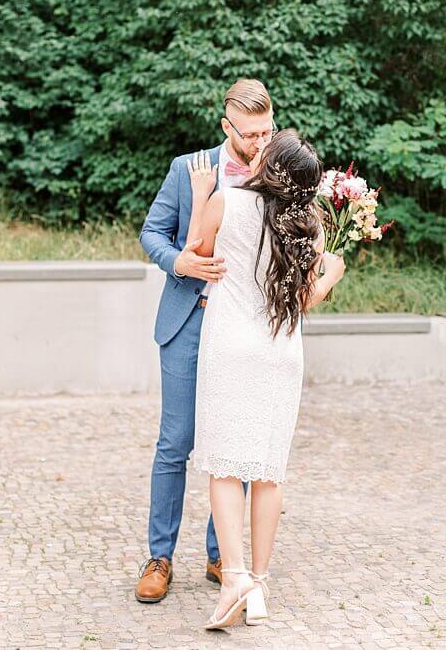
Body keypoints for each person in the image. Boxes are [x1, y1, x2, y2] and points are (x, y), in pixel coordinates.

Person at [185, 130, 346, 629]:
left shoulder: (224, 202)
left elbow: (199, 260)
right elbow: (301, 299)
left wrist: (198, 200)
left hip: (230, 347)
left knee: (225, 467)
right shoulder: (310, 223)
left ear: (267, 165)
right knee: (268, 471)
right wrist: (332, 274)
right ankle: (258, 582)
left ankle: (233, 577)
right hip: (280, 355)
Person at [135, 79, 276, 603]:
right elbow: (151, 234)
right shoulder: (187, 168)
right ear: (227, 128)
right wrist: (181, 261)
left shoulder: (275, 172)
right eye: (250, 134)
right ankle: (159, 556)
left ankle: (223, 556)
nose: (261, 143)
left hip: (242, 329)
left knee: (234, 444)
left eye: (268, 131)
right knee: (175, 443)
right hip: (188, 324)